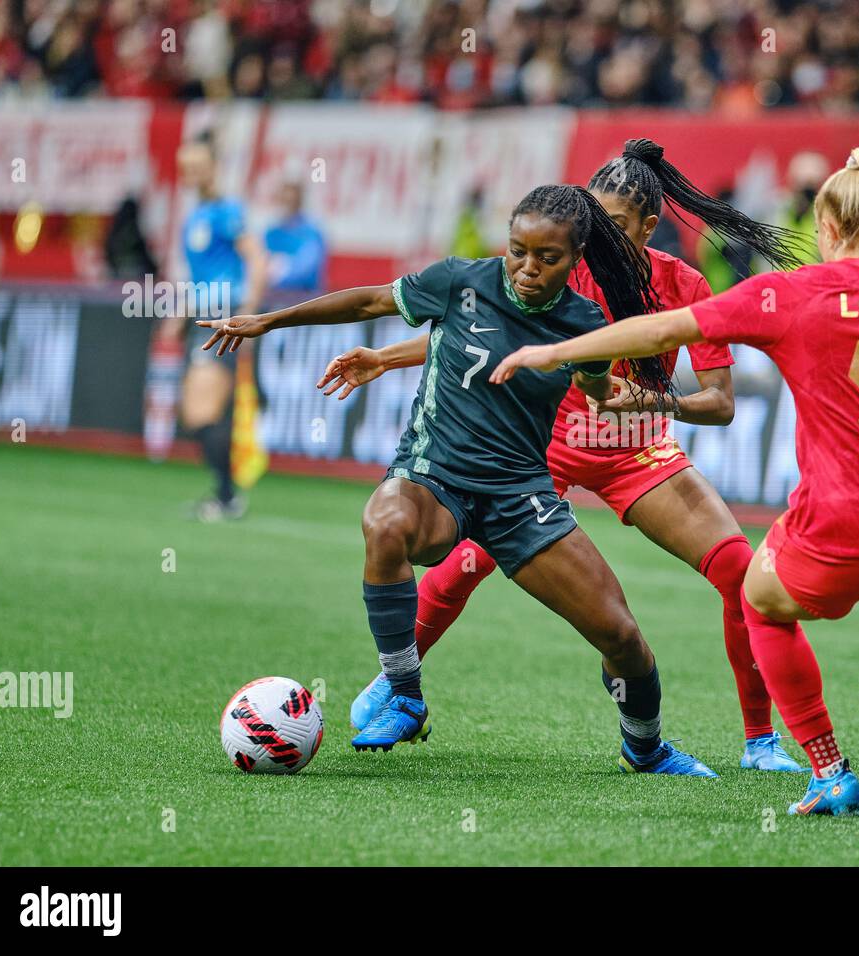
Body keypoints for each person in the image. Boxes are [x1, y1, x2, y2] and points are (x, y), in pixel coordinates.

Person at [490, 145, 859, 830]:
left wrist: (553, 350)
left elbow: (660, 327)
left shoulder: (791, 294)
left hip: (844, 514)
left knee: (761, 600)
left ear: (828, 226)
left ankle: (830, 770)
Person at [196, 184, 716, 777]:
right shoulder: (461, 281)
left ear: (576, 259)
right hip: (434, 474)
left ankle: (645, 749)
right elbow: (368, 302)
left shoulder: (584, 323)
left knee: (621, 637)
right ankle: (404, 694)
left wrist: (648, 403)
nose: (527, 267)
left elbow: (600, 389)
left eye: (547, 258)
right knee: (385, 523)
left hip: (521, 495)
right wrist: (269, 320)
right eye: (518, 250)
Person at [329, 139, 811, 773]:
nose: (597, 242)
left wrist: (646, 403)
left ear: (648, 224)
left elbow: (720, 404)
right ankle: (396, 682)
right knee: (464, 564)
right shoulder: (561, 267)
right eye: (591, 225)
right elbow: (478, 336)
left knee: (739, 572)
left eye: (613, 228)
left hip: (638, 454)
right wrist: (385, 357)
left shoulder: (684, 284)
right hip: (544, 453)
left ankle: (759, 741)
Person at [172, 133, 267, 521]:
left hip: (224, 318)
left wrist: (249, 315)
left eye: (197, 165)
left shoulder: (228, 212)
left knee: (203, 411)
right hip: (202, 316)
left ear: (213, 167)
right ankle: (226, 496)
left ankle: (227, 497)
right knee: (201, 414)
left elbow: (257, 261)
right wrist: (177, 315)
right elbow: (199, 276)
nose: (191, 173)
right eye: (185, 167)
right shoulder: (195, 216)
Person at [264, 178, 327, 294]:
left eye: (291, 201)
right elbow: (260, 260)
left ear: (300, 201)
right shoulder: (272, 233)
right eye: (284, 200)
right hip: (274, 297)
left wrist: (278, 273)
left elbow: (306, 268)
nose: (287, 205)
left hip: (304, 298)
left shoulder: (311, 232)